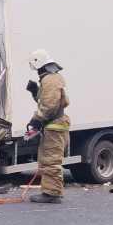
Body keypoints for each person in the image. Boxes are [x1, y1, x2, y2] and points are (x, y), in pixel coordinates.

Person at [27, 49, 70, 204]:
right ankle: (51, 191)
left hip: (54, 125)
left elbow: (49, 105)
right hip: (53, 124)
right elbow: (46, 100)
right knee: (47, 159)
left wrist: (36, 120)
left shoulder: (50, 79)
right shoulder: (52, 78)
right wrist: (35, 92)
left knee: (51, 160)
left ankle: (52, 194)